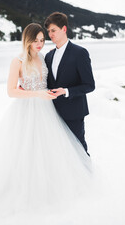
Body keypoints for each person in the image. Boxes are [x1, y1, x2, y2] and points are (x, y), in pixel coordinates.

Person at [0, 23, 93, 224]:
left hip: (47, 111)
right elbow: (11, 91)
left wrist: (54, 92)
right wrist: (35, 93)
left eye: (42, 40)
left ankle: (49, 188)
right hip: (26, 111)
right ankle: (22, 191)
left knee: (47, 150)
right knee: (24, 151)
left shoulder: (43, 57)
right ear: (27, 40)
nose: (39, 44)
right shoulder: (17, 61)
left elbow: (49, 82)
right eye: (35, 40)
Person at [44, 12, 95, 156]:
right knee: (60, 151)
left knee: (78, 149)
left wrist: (66, 91)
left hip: (74, 112)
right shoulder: (49, 55)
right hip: (53, 113)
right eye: (48, 31)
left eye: (53, 30)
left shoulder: (80, 53)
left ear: (64, 29)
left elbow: (89, 85)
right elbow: (48, 82)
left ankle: (88, 176)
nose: (50, 34)